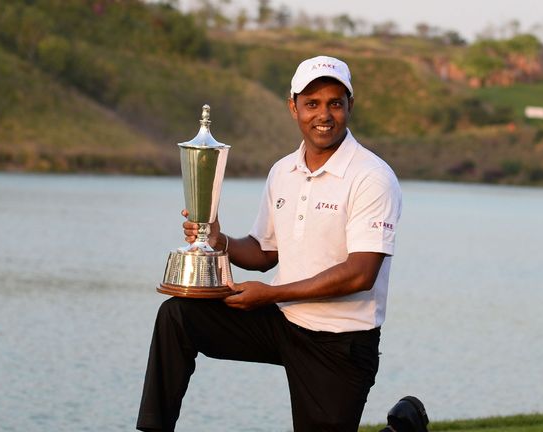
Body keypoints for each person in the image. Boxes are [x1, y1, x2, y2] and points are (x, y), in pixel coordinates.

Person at [137, 55, 402, 432]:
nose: (323, 115)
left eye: (334, 104)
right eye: (311, 104)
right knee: (178, 316)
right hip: (282, 322)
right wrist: (219, 239)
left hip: (341, 342)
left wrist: (270, 296)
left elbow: (360, 274)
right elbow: (264, 253)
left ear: (349, 107)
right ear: (293, 107)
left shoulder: (371, 176)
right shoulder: (283, 171)